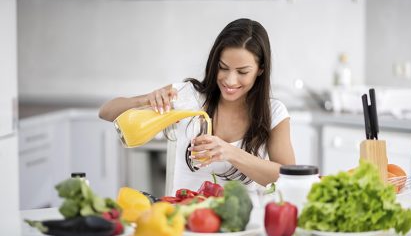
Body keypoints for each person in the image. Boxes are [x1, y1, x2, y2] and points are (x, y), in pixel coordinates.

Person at [99, 18, 295, 200]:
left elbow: (290, 177)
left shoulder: (273, 113)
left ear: (260, 69)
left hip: (241, 226)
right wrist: (146, 100)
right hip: (184, 219)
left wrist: (229, 152)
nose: (229, 80)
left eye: (242, 72)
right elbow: (107, 112)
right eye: (223, 67)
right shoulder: (188, 96)